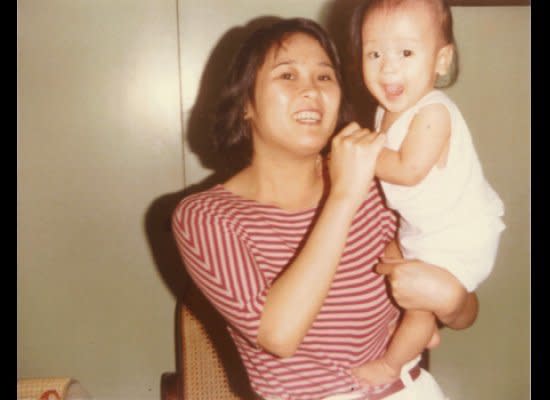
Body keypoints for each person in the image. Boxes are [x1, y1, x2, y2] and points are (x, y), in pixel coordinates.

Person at [172, 17, 478, 400]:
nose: (311, 92)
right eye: (287, 76)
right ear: (245, 103)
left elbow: (465, 310)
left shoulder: (382, 181)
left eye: (324, 77)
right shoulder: (207, 216)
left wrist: (452, 300)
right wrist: (344, 196)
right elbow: (279, 335)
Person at [347, 0, 506, 387]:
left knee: (418, 303)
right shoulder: (385, 111)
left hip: (460, 234)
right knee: (391, 261)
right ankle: (420, 329)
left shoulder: (434, 112)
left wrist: (362, 154)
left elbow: (407, 169)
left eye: (405, 51)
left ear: (441, 60)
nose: (388, 66)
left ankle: (391, 364)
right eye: (374, 52)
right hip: (427, 225)